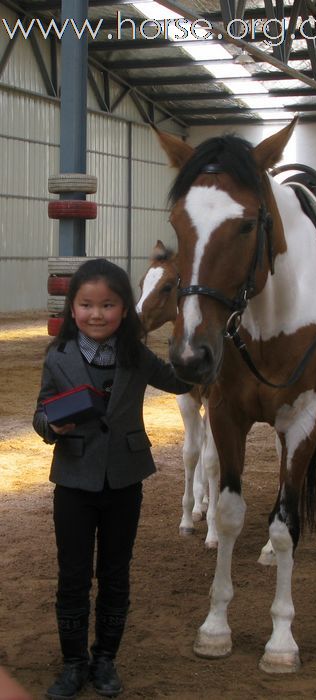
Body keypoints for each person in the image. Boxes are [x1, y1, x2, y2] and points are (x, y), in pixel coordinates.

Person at [33, 258, 191, 699]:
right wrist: (52, 425)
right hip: (73, 483)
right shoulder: (58, 357)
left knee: (116, 573)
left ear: (126, 310)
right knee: (73, 576)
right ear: (72, 308)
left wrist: (205, 346)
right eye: (86, 305)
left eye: (108, 305)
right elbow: (41, 412)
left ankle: (105, 660)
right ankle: (73, 663)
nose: (97, 314)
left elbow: (180, 380)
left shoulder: (137, 356)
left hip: (125, 481)